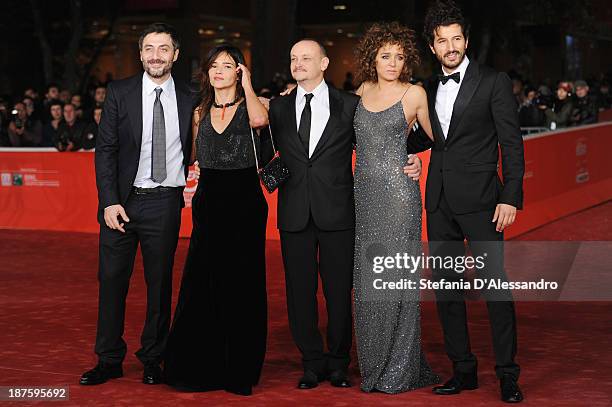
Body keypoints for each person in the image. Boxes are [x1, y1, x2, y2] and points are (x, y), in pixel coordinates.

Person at [269, 39, 424, 390]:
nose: (298, 63)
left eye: (306, 57)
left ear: (324, 63)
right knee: (300, 293)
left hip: (339, 212)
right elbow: (266, 148)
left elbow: (379, 137)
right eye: (293, 58)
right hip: (294, 212)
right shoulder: (278, 108)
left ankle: (339, 362)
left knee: (339, 293)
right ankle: (311, 362)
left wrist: (410, 157)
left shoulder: (351, 103)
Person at [80, 22, 196, 387]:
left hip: (164, 203)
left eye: (163, 48)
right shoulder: (119, 92)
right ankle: (108, 358)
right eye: (149, 48)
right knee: (111, 282)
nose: (155, 55)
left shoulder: (193, 96)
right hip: (122, 205)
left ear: (175, 55)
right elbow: (106, 151)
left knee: (159, 285)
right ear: (140, 53)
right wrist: (109, 202)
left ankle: (153, 358)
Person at [420, 1, 525, 403]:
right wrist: (406, 153)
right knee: (447, 291)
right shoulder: (427, 88)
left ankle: (507, 374)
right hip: (440, 202)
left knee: (494, 289)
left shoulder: (493, 81)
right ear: (433, 47)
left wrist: (511, 196)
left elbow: (511, 144)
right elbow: (429, 138)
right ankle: (462, 370)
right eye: (442, 41)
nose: (450, 46)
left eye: (456, 38)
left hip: (484, 202)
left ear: (466, 40)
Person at [163, 45, 269, 397]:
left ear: (239, 71)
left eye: (228, 65)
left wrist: (250, 86)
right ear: (206, 72)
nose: (219, 71)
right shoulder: (199, 112)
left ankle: (238, 368)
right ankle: (200, 365)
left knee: (242, 284)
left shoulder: (255, 105)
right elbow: (192, 156)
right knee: (203, 281)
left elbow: (259, 122)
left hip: (245, 204)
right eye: (214, 66)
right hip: (209, 204)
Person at [351, 21, 440, 394]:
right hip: (363, 196)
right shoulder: (361, 90)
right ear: (373, 57)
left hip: (399, 197)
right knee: (368, 282)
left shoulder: (415, 93)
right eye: (385, 56)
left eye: (400, 57)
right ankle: (373, 364)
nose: (392, 63)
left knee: (396, 280)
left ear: (408, 60)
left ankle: (398, 369)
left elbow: (439, 139)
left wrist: (416, 157)